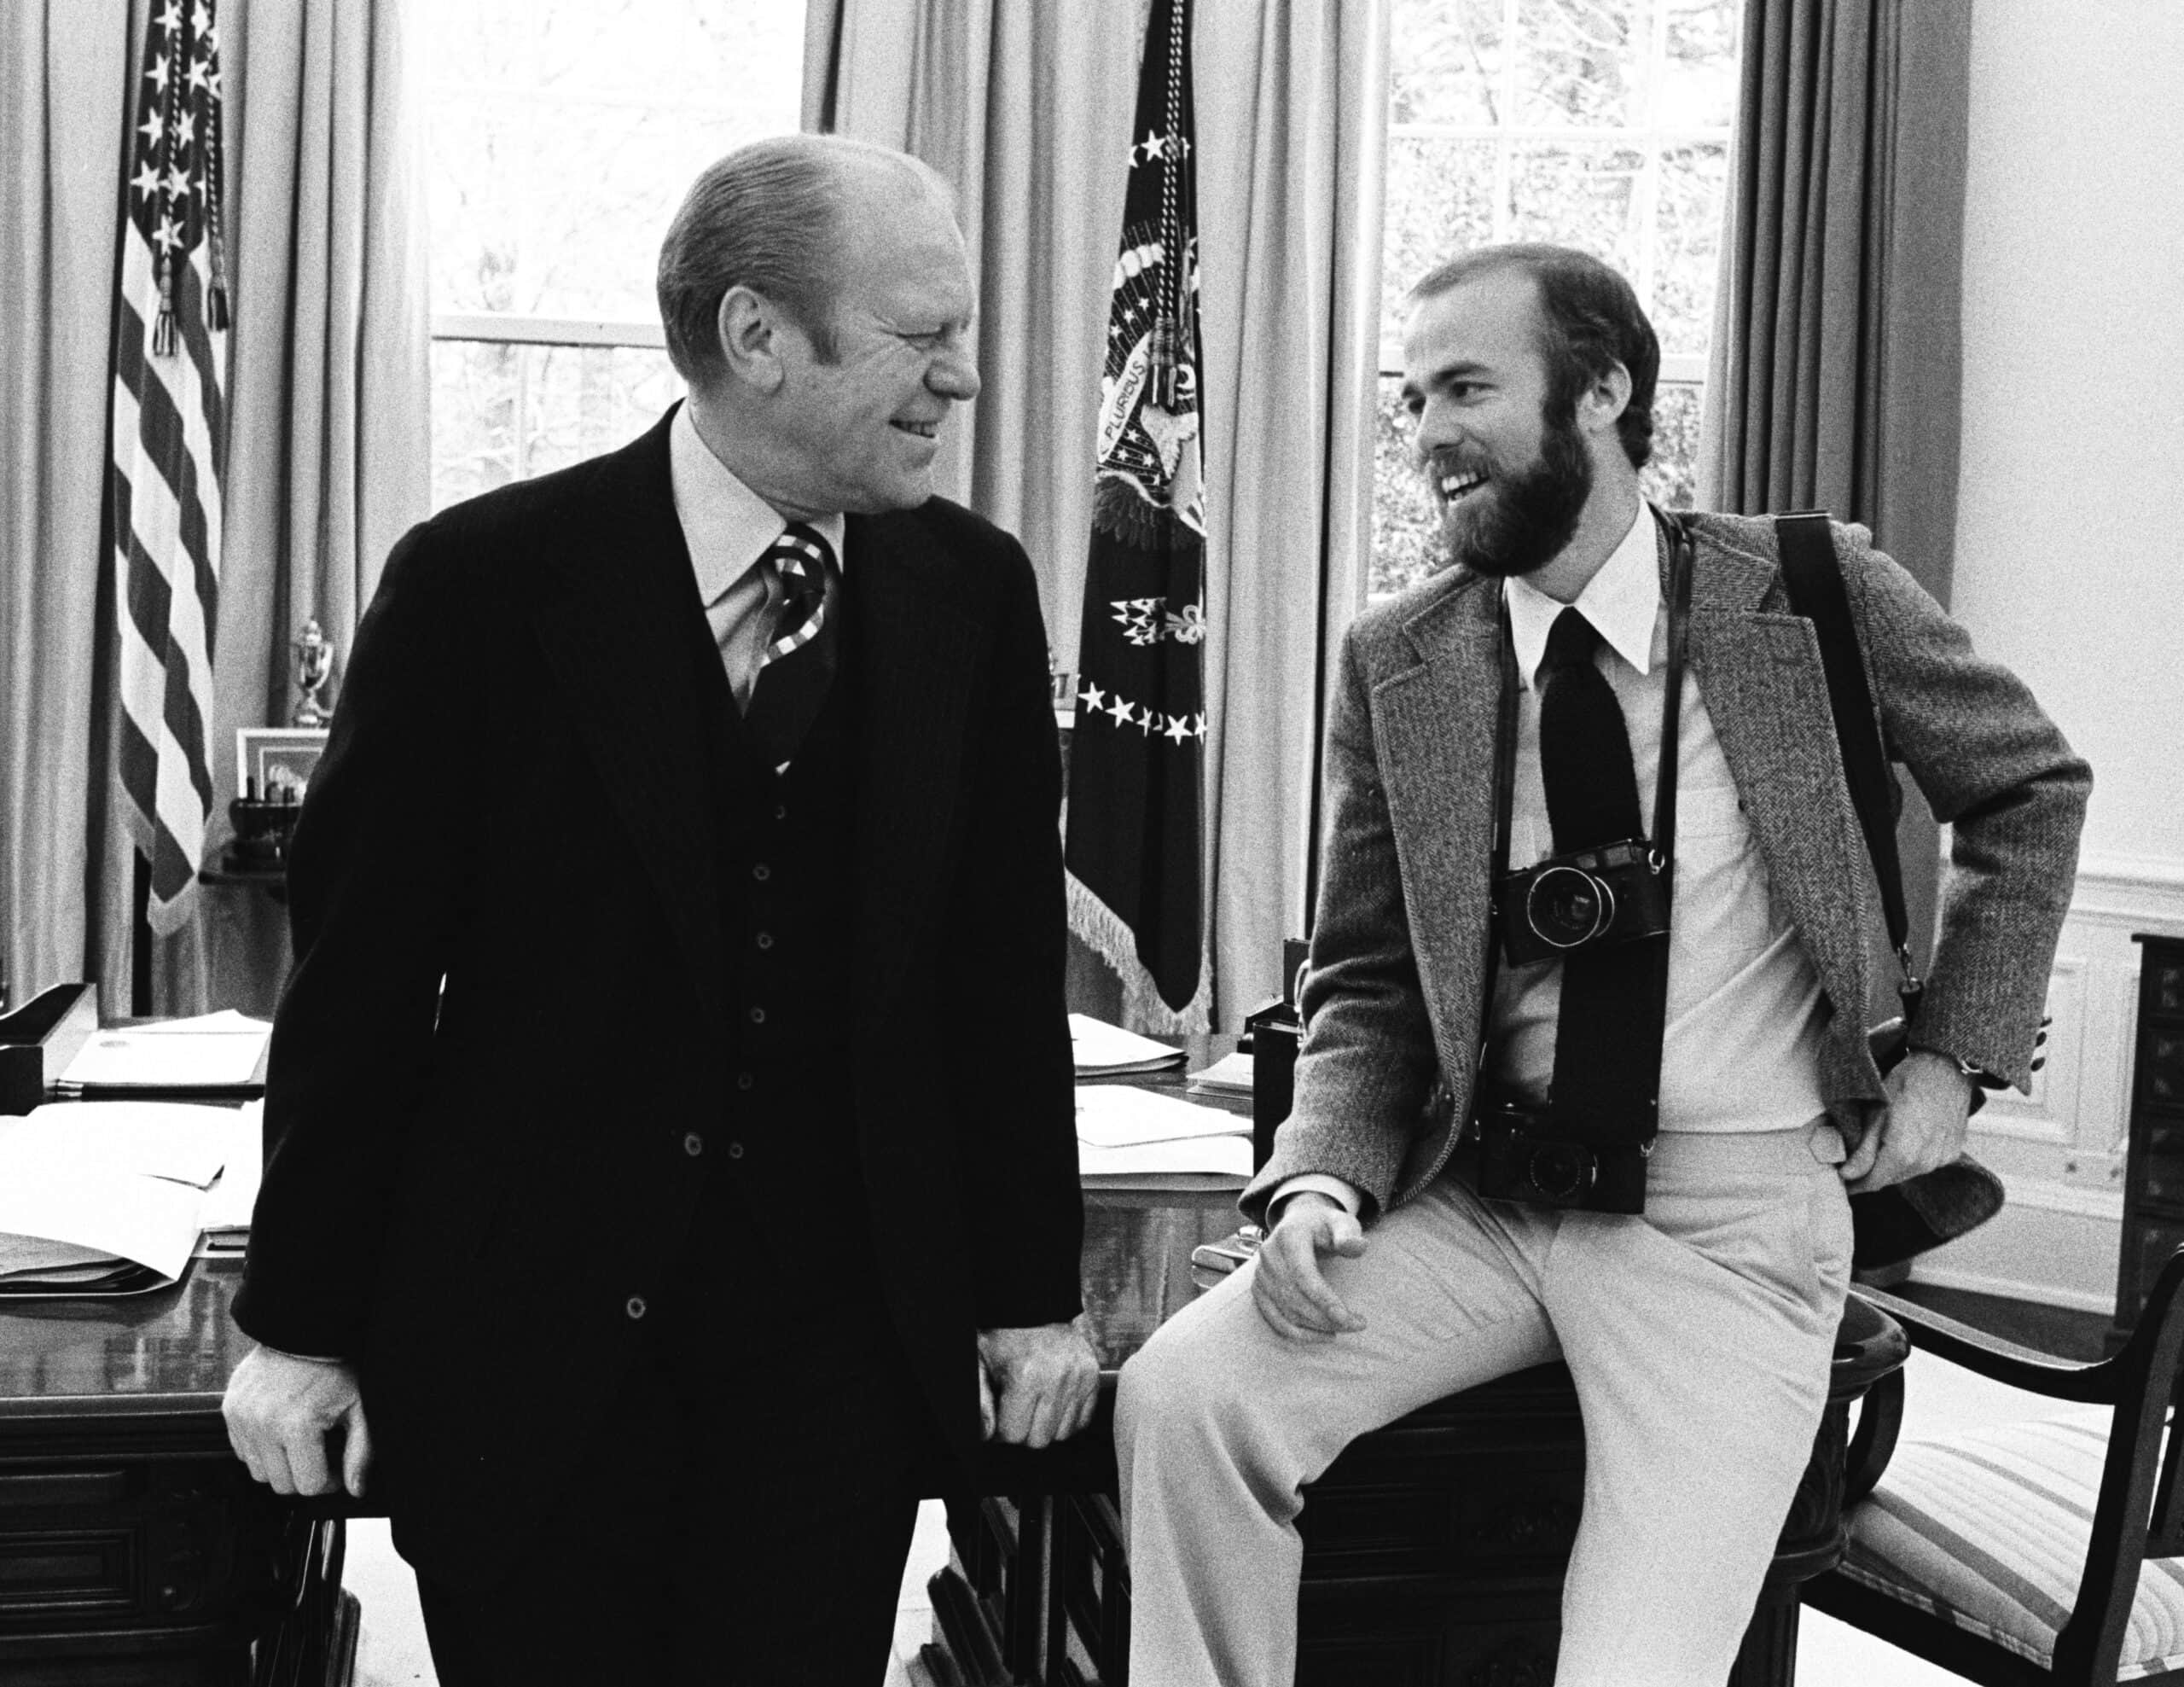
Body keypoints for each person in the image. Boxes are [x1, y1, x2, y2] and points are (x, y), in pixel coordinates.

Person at [1116, 243, 2089, 1685]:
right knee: (1186, 1396)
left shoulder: (1815, 592)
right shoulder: (1403, 654)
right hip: (1484, 1201)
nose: (1428, 433)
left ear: (1604, 391)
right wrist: (1324, 1173)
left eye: (1465, 387)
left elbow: (2029, 786)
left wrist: (1954, 1056)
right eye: (1412, 399)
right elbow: (1372, 973)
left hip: (1733, 1223)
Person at [221, 133, 1100, 1686]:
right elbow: (356, 986)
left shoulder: (975, 591)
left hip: (835, 1360)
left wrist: (1030, 1294)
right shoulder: (482, 586)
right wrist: (295, 1324)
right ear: (758, 335)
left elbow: (999, 977)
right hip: (524, 1344)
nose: (962, 378)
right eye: (924, 332)